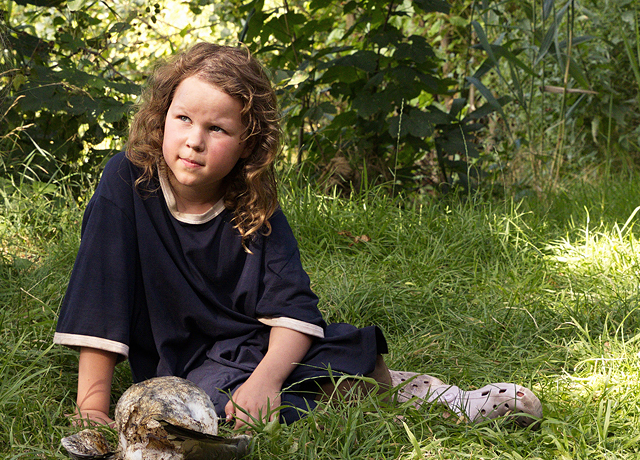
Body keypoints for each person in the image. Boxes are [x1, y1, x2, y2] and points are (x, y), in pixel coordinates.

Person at [54, 43, 541, 438]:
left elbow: (294, 309)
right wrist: (91, 407)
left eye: (217, 128)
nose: (194, 140)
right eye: (182, 119)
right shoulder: (127, 182)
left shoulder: (251, 201)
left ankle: (436, 398)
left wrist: (266, 380)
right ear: (162, 116)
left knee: (349, 350)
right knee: (206, 410)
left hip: (255, 348)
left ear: (248, 142)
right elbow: (101, 293)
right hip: (184, 363)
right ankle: (346, 403)